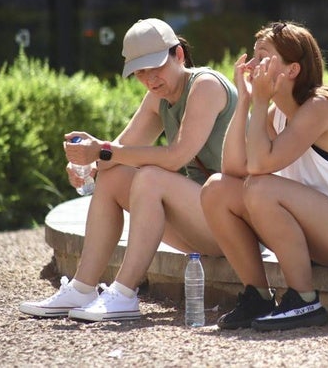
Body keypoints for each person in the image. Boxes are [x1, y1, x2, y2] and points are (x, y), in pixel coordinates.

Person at [19, 18, 237, 321]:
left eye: (156, 67)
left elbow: (176, 157)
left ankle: (124, 292)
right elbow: (116, 153)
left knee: (150, 177)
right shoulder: (159, 97)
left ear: (179, 56)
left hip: (237, 225)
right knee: (113, 175)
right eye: (140, 72)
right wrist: (88, 164)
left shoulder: (206, 85)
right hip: (203, 222)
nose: (149, 79)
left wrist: (104, 152)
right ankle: (83, 287)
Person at [200, 21, 328, 332]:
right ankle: (257, 296)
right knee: (216, 190)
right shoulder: (276, 113)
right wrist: (244, 102)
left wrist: (261, 99)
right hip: (323, 232)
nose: (251, 65)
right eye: (252, 57)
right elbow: (232, 169)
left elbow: (258, 167)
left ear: (292, 70)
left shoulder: (321, 107)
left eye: (262, 57)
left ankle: (304, 299)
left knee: (260, 188)